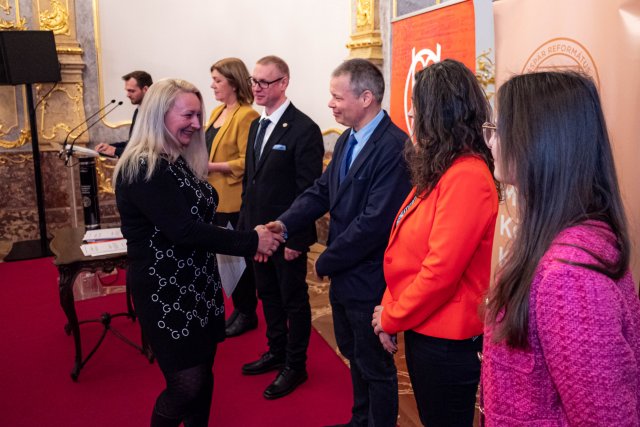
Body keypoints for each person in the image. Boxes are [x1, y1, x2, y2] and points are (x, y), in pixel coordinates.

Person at [113, 78, 283, 426]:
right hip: (165, 293)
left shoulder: (174, 159)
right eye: (187, 115)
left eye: (198, 115)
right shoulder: (143, 166)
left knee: (202, 378)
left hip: (197, 287)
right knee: (185, 386)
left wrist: (255, 236)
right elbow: (184, 230)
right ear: (159, 114)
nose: (196, 123)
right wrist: (252, 241)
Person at [481, 71, 640, 425]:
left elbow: (605, 419)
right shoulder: (567, 239)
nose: (491, 142)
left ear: (538, 141)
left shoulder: (569, 276)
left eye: (499, 130)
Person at [267, 58, 411, 427]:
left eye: (336, 97)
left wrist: (326, 260)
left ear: (366, 98)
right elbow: (321, 192)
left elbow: (374, 223)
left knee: (375, 365)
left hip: (370, 277)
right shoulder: (348, 138)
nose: (330, 104)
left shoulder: (394, 147)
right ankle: (360, 420)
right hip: (347, 274)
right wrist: (284, 223)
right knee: (354, 354)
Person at [371, 59, 499, 427]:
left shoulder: (467, 176)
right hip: (425, 325)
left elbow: (440, 271)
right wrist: (390, 305)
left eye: (418, 104)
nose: (411, 113)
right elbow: (407, 251)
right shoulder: (443, 167)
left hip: (447, 341)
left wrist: (391, 316)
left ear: (439, 112)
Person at [238, 55, 324, 399]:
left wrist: (296, 238)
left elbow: (309, 191)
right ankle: (276, 351)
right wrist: (248, 233)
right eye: (254, 81)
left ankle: (295, 364)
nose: (256, 88)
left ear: (283, 83)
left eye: (264, 82)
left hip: (286, 237)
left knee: (293, 300)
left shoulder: (304, 129)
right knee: (268, 295)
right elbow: (250, 184)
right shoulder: (256, 125)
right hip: (258, 236)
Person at [204, 58, 260, 338]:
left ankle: (248, 312)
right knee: (226, 259)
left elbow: (246, 161)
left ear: (234, 83)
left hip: (233, 199)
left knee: (238, 260)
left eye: (218, 80)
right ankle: (239, 309)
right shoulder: (217, 111)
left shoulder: (246, 115)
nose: (212, 85)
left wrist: (211, 167)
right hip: (214, 197)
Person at [96, 70, 153, 157]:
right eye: (127, 91)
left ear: (145, 89)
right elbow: (133, 143)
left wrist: (115, 151)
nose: (128, 95)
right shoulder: (138, 110)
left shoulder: (154, 112)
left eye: (132, 91)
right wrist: (110, 147)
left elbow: (148, 149)